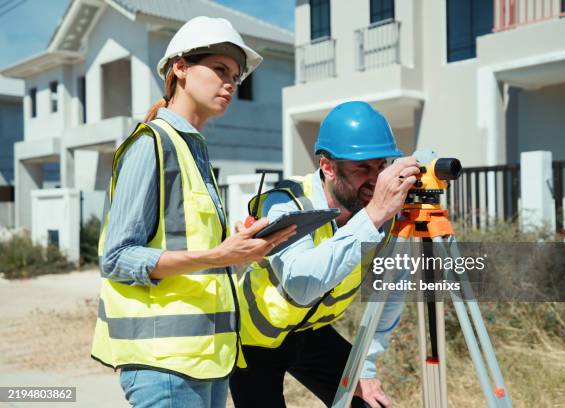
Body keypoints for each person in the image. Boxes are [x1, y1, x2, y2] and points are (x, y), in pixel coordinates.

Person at [90, 16, 295, 408]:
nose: (231, 83)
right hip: (163, 366)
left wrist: (237, 247)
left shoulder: (193, 150)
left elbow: (191, 253)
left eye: (236, 75)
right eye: (220, 69)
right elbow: (116, 258)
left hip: (207, 361)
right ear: (180, 67)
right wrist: (219, 255)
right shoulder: (151, 145)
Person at [229, 101, 420, 408]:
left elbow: (392, 293)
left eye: (381, 166)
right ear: (328, 167)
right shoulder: (286, 203)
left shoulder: (384, 219)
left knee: (370, 405)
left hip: (312, 333)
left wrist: (366, 365)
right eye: (362, 168)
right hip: (254, 340)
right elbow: (301, 284)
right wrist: (371, 217)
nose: (376, 180)